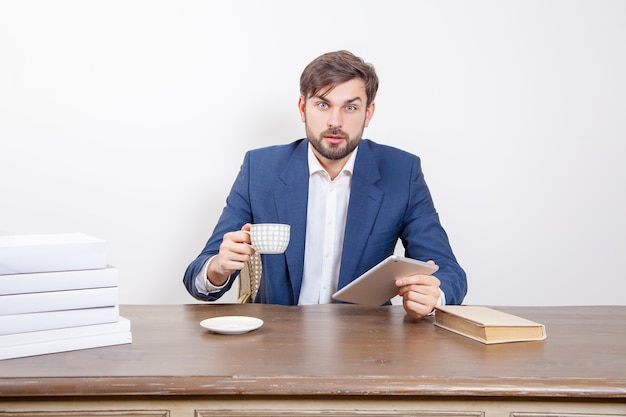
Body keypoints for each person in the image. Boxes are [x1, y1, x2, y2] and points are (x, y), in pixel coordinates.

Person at [183, 50, 467, 319]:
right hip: (277, 342)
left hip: (367, 343)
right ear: (302, 108)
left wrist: (434, 296)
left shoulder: (402, 172)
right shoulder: (261, 169)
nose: (335, 121)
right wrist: (218, 268)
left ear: (368, 113)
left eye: (351, 107)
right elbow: (198, 275)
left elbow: (449, 271)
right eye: (322, 104)